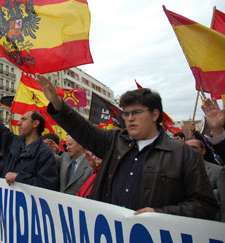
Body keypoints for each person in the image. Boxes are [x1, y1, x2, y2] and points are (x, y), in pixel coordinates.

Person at [36, 74, 217, 219]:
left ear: (155, 115)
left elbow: (205, 206)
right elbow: (83, 129)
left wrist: (161, 214)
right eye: (126, 114)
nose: (129, 118)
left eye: (136, 112)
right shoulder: (114, 141)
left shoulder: (183, 154)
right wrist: (58, 105)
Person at [0, 85, 58, 190]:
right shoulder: (13, 142)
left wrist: (18, 178)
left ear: (35, 123)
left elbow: (48, 186)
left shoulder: (45, 154)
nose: (19, 123)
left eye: (24, 119)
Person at [186, 138, 225, 221]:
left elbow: (223, 202)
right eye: (186, 148)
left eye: (194, 148)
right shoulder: (178, 171)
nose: (190, 151)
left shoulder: (218, 171)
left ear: (203, 151)